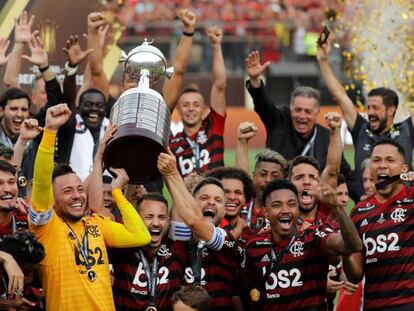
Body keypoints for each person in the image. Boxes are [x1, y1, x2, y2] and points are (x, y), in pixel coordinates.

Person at [29, 104, 151, 311]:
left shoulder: (96, 224)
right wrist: (50, 132)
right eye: (67, 191)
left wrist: (117, 193)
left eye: (80, 189)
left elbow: (140, 236)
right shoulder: (46, 229)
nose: (77, 195)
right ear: (53, 200)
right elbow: (41, 183)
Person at [244, 50, 361, 201]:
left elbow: (344, 172)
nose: (302, 116)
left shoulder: (326, 137)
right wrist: (255, 81)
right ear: (291, 109)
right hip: (277, 199)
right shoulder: (279, 120)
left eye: (308, 111)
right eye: (298, 110)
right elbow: (263, 105)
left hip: (310, 205)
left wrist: (364, 198)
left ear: (317, 112)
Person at [242, 179, 362, 310]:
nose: (285, 210)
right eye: (277, 205)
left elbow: (352, 246)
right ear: (265, 212)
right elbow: (247, 292)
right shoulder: (254, 246)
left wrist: (337, 207)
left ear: (297, 208)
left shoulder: (313, 235)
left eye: (291, 204)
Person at [316, 36, 414, 183]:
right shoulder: (361, 128)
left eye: (375, 108)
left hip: (402, 205)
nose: (370, 112)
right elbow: (339, 96)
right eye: (368, 107)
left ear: (391, 110)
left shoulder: (407, 129)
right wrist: (323, 61)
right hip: (365, 203)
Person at [158, 150, 239, 309]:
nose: (211, 203)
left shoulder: (225, 239)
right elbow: (180, 208)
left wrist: (173, 173)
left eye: (218, 200)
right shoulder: (181, 238)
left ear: (224, 211)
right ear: (192, 204)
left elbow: (195, 221)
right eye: (204, 198)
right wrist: (167, 174)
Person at [343, 139, 414, 310]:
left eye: (390, 160)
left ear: (404, 170)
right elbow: (354, 276)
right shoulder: (359, 212)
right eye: (376, 160)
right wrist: (345, 252)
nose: (382, 165)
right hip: (372, 305)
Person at [110, 193, 188, 310]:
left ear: (168, 221)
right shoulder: (124, 246)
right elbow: (99, 210)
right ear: (137, 220)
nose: (156, 223)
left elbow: (180, 200)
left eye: (161, 217)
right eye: (149, 217)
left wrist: (170, 174)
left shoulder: (177, 247)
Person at [169, 26, 227, 177]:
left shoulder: (213, 128)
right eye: (185, 105)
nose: (190, 109)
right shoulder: (173, 144)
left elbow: (219, 85)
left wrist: (216, 46)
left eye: (196, 105)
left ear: (204, 109)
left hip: (216, 198)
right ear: (178, 109)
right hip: (187, 200)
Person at [207, 167, 255, 239]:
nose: (232, 197)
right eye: (226, 192)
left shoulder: (250, 235)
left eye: (238, 192)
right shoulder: (204, 228)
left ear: (245, 199)